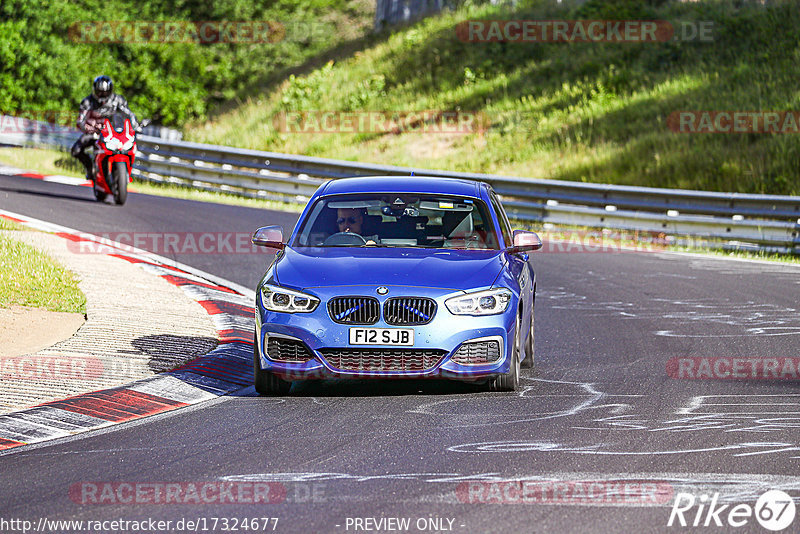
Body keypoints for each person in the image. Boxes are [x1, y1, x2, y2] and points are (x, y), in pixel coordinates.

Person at [71, 75, 140, 182]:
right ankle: (91, 169)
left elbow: (129, 114)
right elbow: (80, 121)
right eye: (99, 92)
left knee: (131, 145)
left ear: (110, 91)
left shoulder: (118, 100)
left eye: (105, 92)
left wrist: (135, 126)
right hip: (95, 132)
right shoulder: (87, 102)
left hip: (115, 133)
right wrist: (90, 129)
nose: (102, 95)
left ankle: (125, 172)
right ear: (94, 90)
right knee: (76, 150)